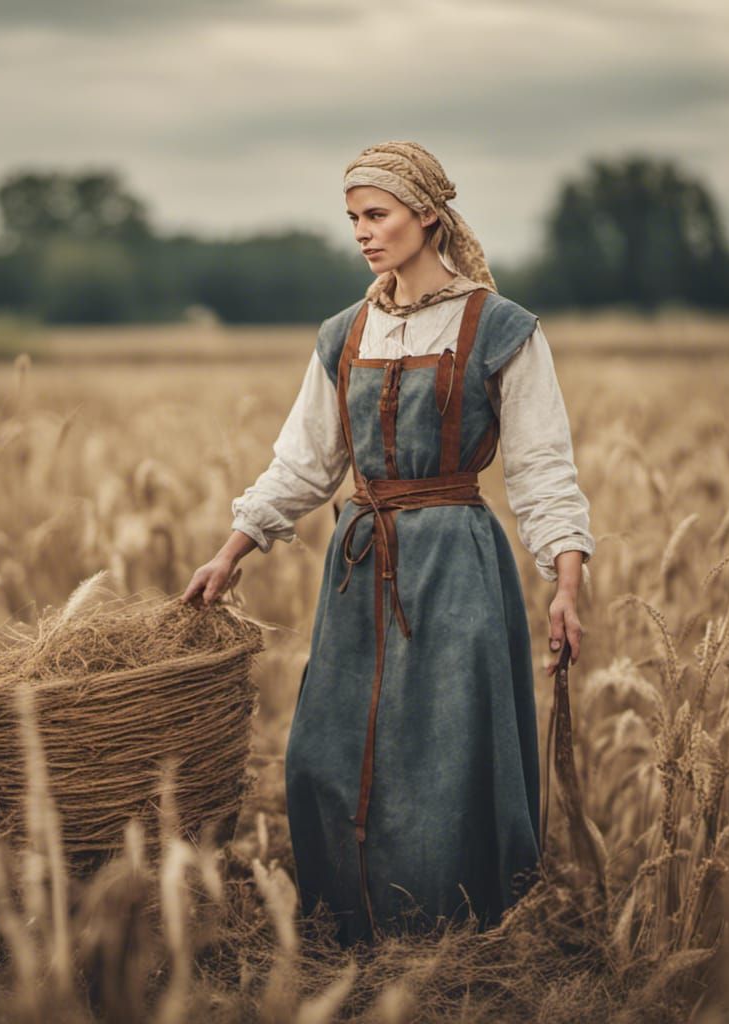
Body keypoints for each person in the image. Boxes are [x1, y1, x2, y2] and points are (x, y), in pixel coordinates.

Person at [182, 140, 594, 948]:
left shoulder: (500, 328)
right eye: (353, 219)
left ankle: (451, 936)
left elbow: (543, 468)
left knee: (445, 752)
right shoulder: (345, 333)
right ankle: (346, 926)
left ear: (428, 216)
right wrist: (232, 549)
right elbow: (304, 463)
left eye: (378, 215)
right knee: (324, 749)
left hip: (457, 564)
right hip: (359, 563)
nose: (363, 233)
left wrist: (567, 582)